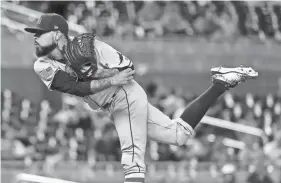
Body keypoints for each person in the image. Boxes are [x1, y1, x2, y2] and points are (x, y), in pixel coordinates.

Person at [24, 13, 258, 183]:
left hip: (126, 94)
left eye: (39, 34)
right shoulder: (42, 64)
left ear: (56, 35)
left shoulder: (90, 47)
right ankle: (220, 84)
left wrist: (102, 69)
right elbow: (74, 88)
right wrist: (102, 77)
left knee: (132, 158)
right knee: (178, 135)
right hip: (109, 102)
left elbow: (128, 68)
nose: (34, 38)